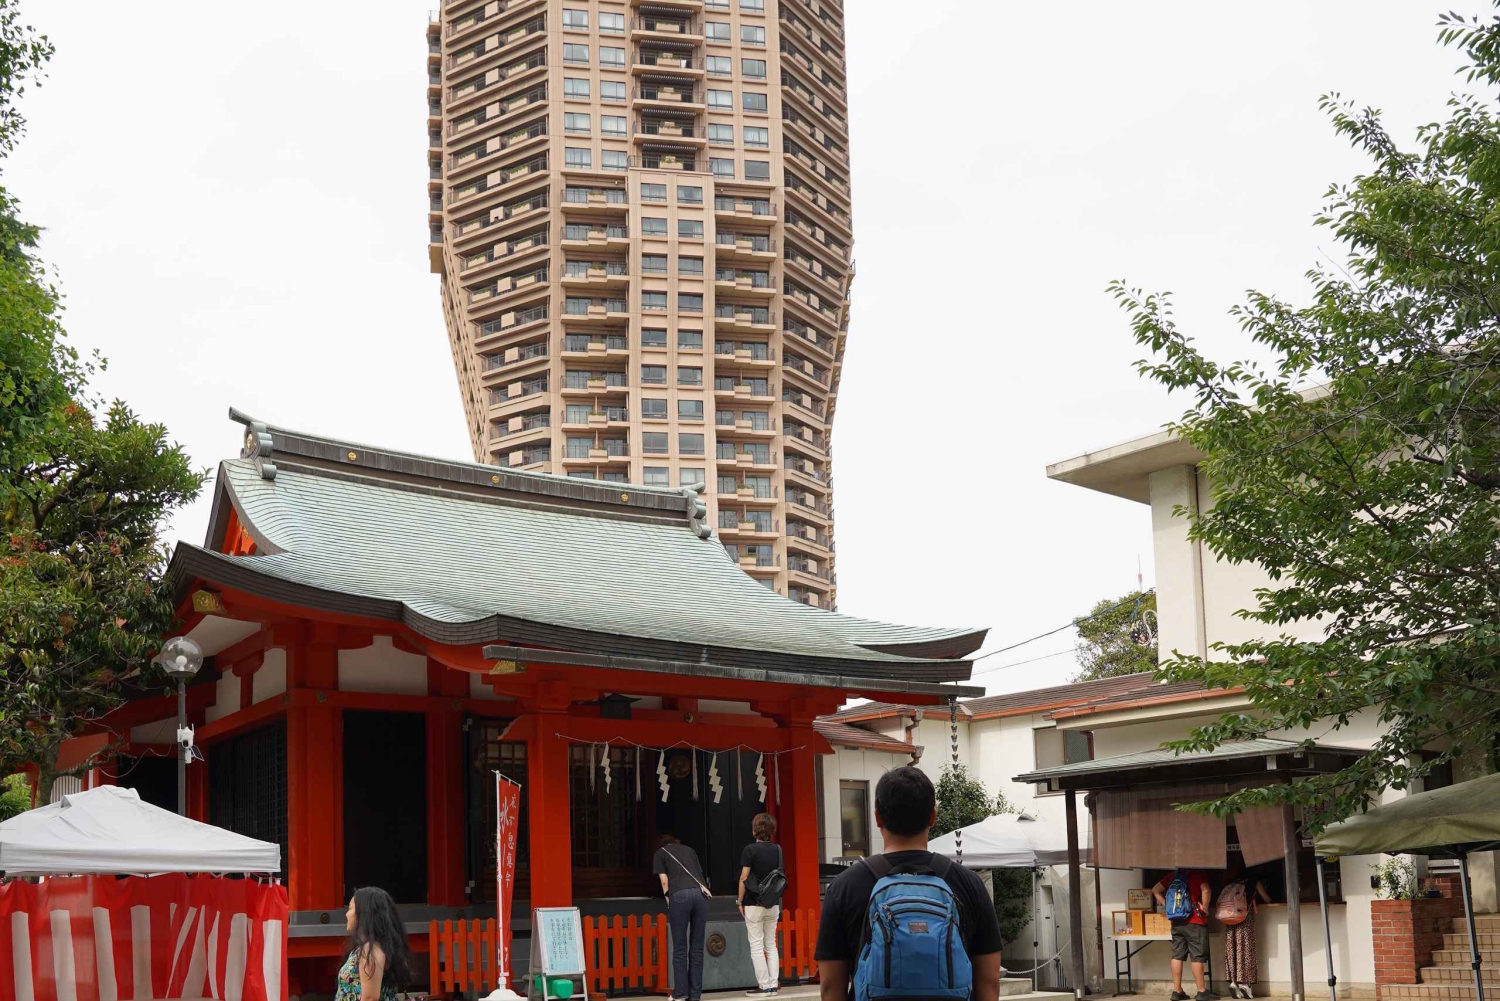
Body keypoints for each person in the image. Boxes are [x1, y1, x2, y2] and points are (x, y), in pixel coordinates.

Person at [814, 766, 1002, 1001]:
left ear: (877, 817)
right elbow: (989, 982)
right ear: (933, 817)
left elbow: (830, 986)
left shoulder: (845, 886)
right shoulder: (968, 883)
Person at [653, 834, 712, 1001]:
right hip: (700, 896)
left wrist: (669, 902)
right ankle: (695, 995)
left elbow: (664, 881)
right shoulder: (690, 850)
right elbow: (698, 874)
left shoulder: (660, 853)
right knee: (697, 949)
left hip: (679, 896)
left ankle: (680, 994)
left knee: (680, 949)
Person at [339, 886, 415, 1001]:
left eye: (350, 908)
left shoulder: (371, 948)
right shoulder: (369, 947)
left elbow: (370, 998)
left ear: (363, 913)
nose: (346, 914)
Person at [738, 812, 783, 996]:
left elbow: (744, 878)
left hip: (754, 903)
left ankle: (764, 986)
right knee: (771, 944)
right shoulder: (778, 849)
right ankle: (773, 985)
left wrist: (739, 901)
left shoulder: (750, 850)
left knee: (756, 945)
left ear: (755, 829)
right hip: (773, 903)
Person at [1153, 868, 1214, 1001]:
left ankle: (1177, 990)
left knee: (1177, 955)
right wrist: (1205, 907)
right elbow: (1206, 890)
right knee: (1197, 956)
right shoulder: (1198, 873)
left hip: (1176, 921)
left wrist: (1167, 905)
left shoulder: (1172, 875)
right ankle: (1202, 991)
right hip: (1195, 921)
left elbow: (1155, 890)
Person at [1221, 867, 1273, 999]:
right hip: (1245, 918)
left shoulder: (1232, 881)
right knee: (1245, 950)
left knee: (1232, 949)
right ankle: (1246, 983)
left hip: (1230, 919)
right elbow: (1266, 899)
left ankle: (1234, 983)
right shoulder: (1254, 881)